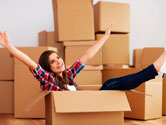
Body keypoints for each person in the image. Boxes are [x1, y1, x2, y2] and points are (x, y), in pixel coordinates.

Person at [0, 24, 166, 91]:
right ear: (47, 67)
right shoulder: (48, 79)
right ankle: (155, 69)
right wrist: (9, 46)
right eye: (52, 61)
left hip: (87, 104)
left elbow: (87, 55)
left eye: (58, 57)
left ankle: (155, 71)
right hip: (81, 108)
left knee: (109, 83)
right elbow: (28, 62)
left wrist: (105, 37)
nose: (58, 61)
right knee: (110, 87)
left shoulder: (68, 75)